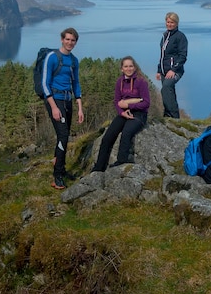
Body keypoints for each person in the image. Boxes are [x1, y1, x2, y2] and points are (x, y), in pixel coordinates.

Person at [91, 56, 150, 172]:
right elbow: (117, 101)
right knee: (108, 137)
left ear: (135, 67)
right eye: (126, 66)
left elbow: (146, 103)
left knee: (127, 133)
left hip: (139, 114)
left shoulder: (141, 82)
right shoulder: (120, 82)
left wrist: (129, 105)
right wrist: (122, 112)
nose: (129, 69)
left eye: (131, 66)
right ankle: (99, 167)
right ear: (122, 69)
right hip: (124, 113)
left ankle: (121, 161)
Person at [42, 27, 84, 189]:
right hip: (55, 100)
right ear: (61, 39)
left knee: (64, 135)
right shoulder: (52, 57)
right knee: (63, 135)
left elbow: (76, 84)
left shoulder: (74, 61)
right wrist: (53, 107)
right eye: (67, 39)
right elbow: (45, 84)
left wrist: (80, 107)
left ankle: (60, 167)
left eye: (72, 40)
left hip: (67, 100)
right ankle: (57, 175)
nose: (69, 43)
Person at [156, 12, 188, 118]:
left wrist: (173, 70)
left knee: (166, 87)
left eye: (172, 22)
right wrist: (159, 70)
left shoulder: (180, 37)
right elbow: (163, 55)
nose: (169, 24)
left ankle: (173, 116)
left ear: (176, 23)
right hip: (164, 71)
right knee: (168, 92)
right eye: (168, 22)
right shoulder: (165, 35)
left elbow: (183, 56)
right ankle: (168, 116)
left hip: (175, 70)